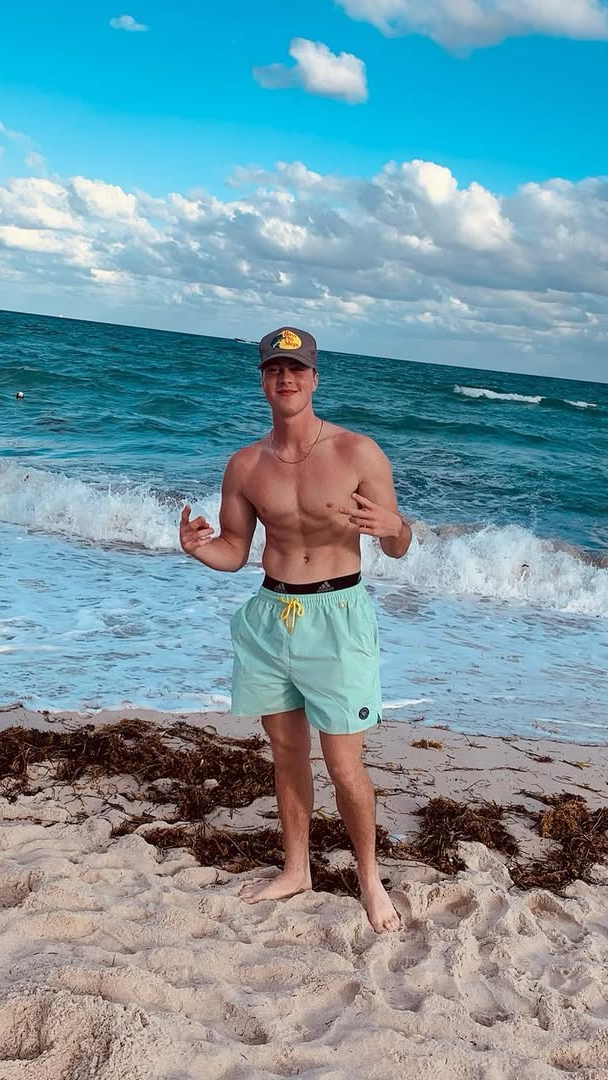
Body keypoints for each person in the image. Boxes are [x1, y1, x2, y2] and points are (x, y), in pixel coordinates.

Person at [179, 326, 411, 933]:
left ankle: (370, 879)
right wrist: (197, 549)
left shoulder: (358, 452)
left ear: (314, 379)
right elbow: (235, 550)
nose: (286, 379)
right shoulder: (246, 465)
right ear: (263, 380)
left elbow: (397, 544)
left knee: (344, 764)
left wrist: (395, 527)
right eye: (274, 370)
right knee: (285, 752)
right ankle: (296, 869)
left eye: (297, 369)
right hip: (271, 615)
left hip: (337, 616)